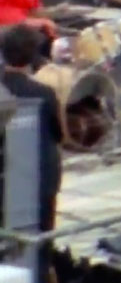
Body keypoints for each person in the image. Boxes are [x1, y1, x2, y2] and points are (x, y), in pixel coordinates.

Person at [1, 24, 62, 283]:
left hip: (6, 178)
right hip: (39, 178)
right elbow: (59, 133)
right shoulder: (43, 93)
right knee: (41, 238)